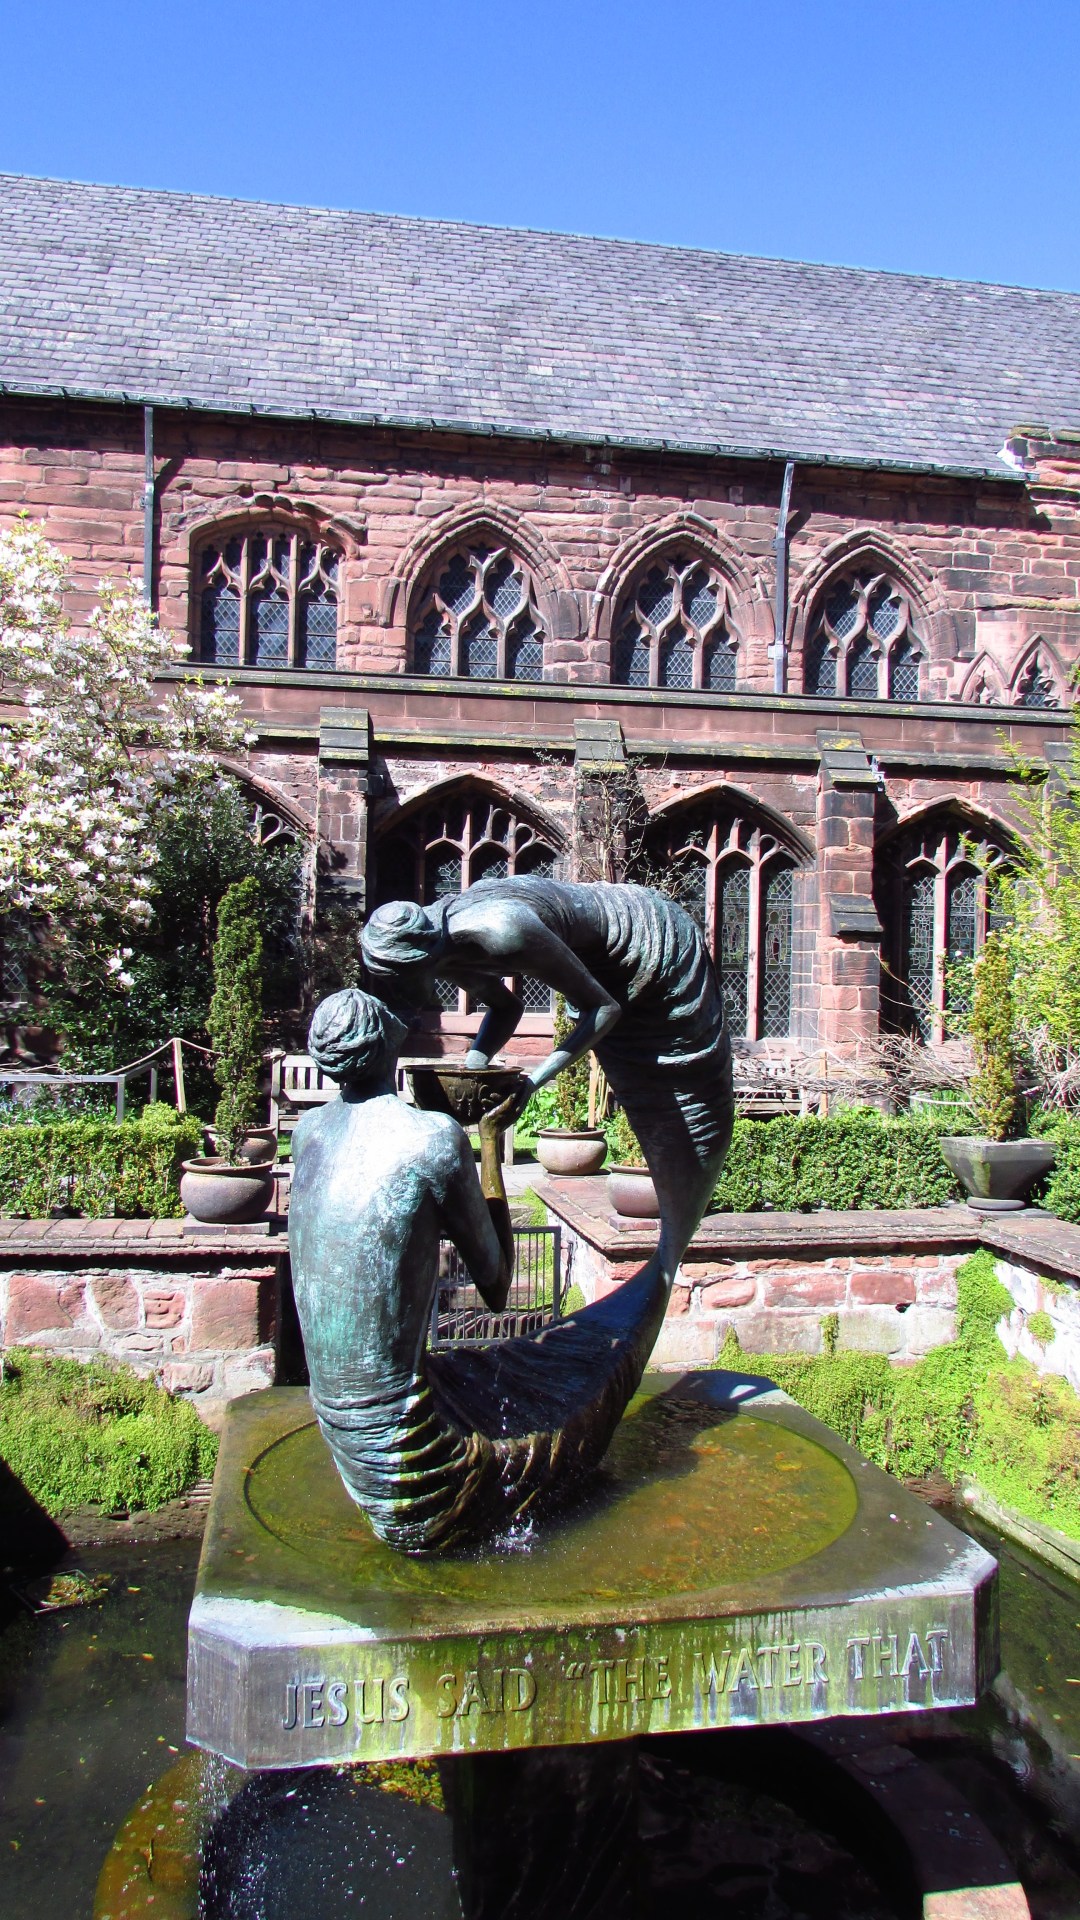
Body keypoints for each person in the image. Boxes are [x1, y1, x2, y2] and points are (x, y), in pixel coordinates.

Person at [290, 985, 678, 1552]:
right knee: (558, 1396)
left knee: (496, 1372)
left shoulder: (308, 1132)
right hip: (413, 1467)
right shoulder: (430, 1140)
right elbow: (496, 1288)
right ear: (389, 1044)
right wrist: (489, 1142)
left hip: (341, 1437)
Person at [360, 875, 734, 1284]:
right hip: (603, 970)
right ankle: (659, 1275)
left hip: (652, 946)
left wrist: (531, 1084)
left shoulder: (501, 930)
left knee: (682, 1112)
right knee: (647, 1102)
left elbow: (604, 1009)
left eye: (398, 977)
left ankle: (665, 1264)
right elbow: (506, 1007)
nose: (398, 990)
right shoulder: (446, 949)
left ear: (419, 957)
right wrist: (474, 1064)